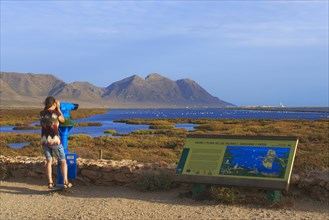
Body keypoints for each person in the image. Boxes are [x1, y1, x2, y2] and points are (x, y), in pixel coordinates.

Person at [40, 96, 72, 189]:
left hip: (44, 140)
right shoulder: (55, 113)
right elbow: (62, 120)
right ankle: (66, 182)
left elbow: (46, 114)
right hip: (55, 141)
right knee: (63, 161)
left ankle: (50, 183)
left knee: (49, 161)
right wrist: (58, 107)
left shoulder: (41, 113)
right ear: (53, 104)